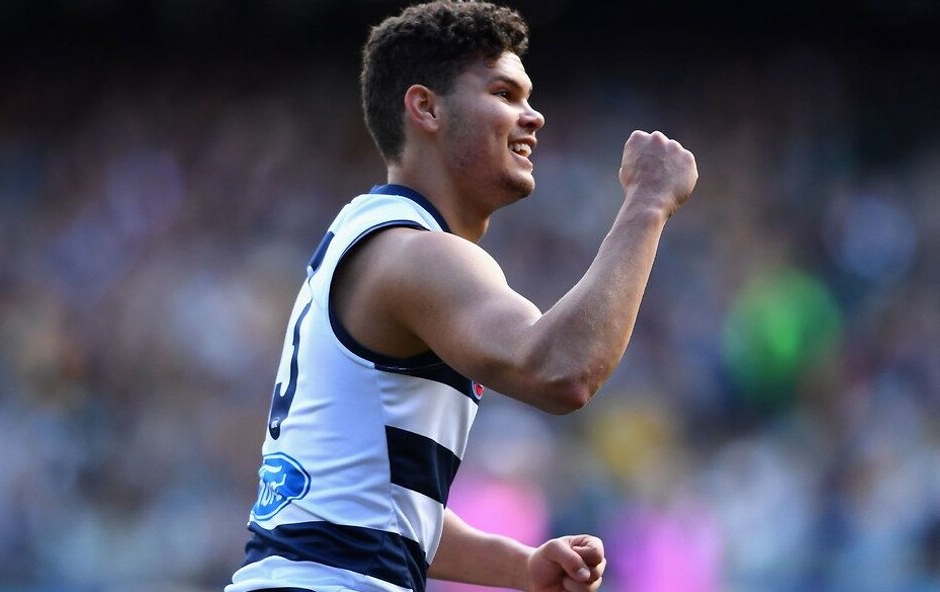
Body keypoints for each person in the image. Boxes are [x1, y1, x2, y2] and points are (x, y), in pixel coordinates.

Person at [226, 2, 698, 592]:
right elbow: (562, 371)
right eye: (503, 93)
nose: (533, 117)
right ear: (426, 108)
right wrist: (649, 202)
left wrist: (521, 566)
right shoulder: (416, 254)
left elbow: (378, 506)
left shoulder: (369, 237)